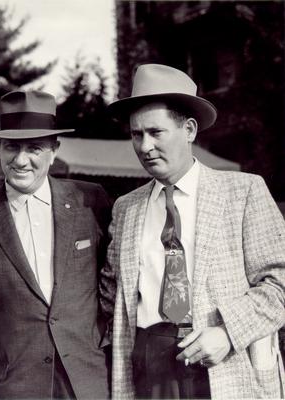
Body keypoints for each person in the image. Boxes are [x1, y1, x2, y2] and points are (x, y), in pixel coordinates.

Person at [101, 64, 285, 399]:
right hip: (148, 371)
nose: (144, 147)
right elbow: (109, 294)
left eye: (156, 132)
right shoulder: (126, 208)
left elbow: (280, 283)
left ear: (189, 129)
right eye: (136, 134)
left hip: (224, 367)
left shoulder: (243, 192)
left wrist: (228, 332)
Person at [0, 90, 112, 399]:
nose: (21, 160)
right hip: (12, 388)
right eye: (11, 146)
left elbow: (113, 291)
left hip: (87, 382)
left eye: (34, 148)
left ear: (54, 150)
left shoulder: (90, 200)